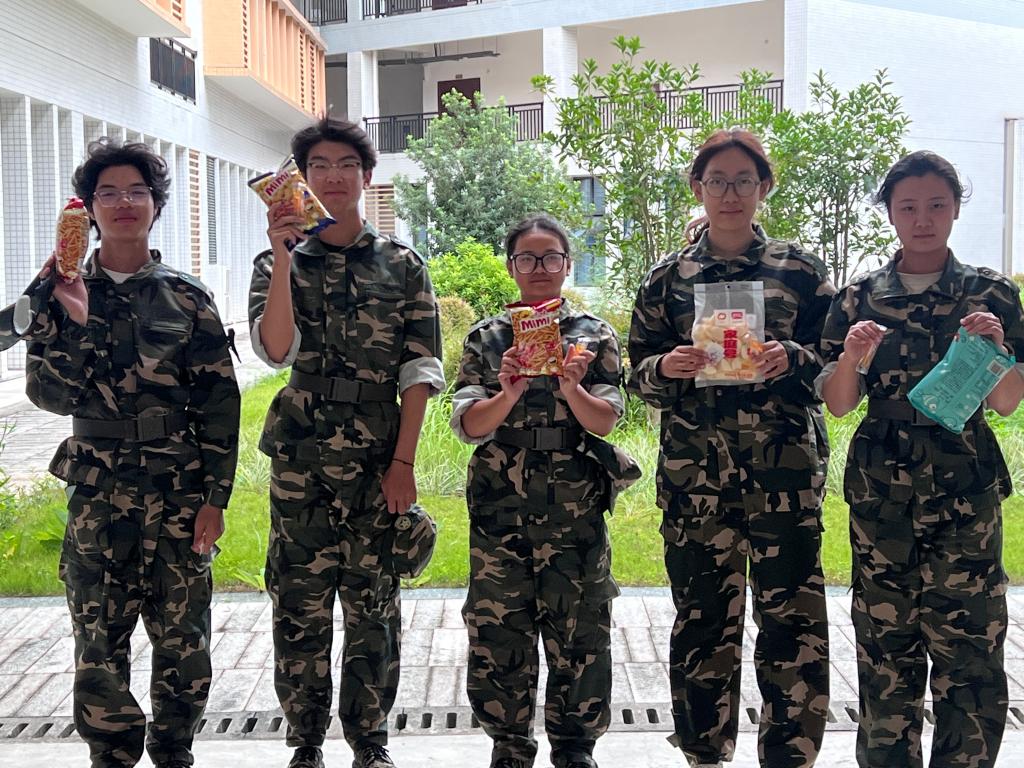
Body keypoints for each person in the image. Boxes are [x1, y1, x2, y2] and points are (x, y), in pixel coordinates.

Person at [17, 138, 239, 768]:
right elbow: (48, 396)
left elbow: (219, 406)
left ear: (155, 206)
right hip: (99, 494)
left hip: (178, 491)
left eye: (136, 192)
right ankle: (110, 755)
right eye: (108, 193)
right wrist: (76, 324)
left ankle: (174, 752)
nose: (123, 203)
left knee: (184, 640)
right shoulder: (57, 292)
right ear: (88, 208)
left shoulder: (187, 297)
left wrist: (216, 499)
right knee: (97, 640)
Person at [628, 128, 834, 768]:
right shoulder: (667, 279)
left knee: (793, 624)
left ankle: (790, 756)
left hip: (785, 478)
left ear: (764, 187)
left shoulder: (800, 272)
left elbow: (835, 368)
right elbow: (636, 372)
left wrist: (792, 356)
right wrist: (668, 367)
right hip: (697, 480)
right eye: (717, 180)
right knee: (702, 623)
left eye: (744, 180)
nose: (730, 193)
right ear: (698, 187)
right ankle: (703, 753)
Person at [248, 117, 444, 768]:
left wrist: (404, 462)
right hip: (301, 459)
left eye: (346, 165)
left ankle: (370, 741)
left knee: (374, 606)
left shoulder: (402, 264)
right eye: (319, 166)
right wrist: (284, 255)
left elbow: (419, 369)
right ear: (303, 178)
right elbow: (277, 350)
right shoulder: (275, 260)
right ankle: (305, 742)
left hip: (376, 459)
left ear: (367, 176)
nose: (333, 176)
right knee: (298, 605)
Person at [818, 150, 1024, 768]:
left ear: (956, 208)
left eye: (937, 205)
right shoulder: (859, 297)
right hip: (882, 489)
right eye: (908, 207)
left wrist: (996, 349)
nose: (923, 219)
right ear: (889, 213)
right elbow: (838, 404)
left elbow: (1007, 403)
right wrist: (851, 357)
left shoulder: (990, 293)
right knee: (886, 648)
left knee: (971, 647)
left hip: (965, 487)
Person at [451, 213, 636, 768]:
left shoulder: (593, 336)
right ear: (511, 266)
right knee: (498, 629)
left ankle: (576, 747)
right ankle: (509, 744)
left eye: (550, 257)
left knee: (580, 629)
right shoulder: (488, 338)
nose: (539, 267)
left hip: (574, 506)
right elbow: (469, 426)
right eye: (527, 258)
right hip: (501, 507)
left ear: (567, 265)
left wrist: (572, 387)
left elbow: (605, 420)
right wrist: (507, 392)